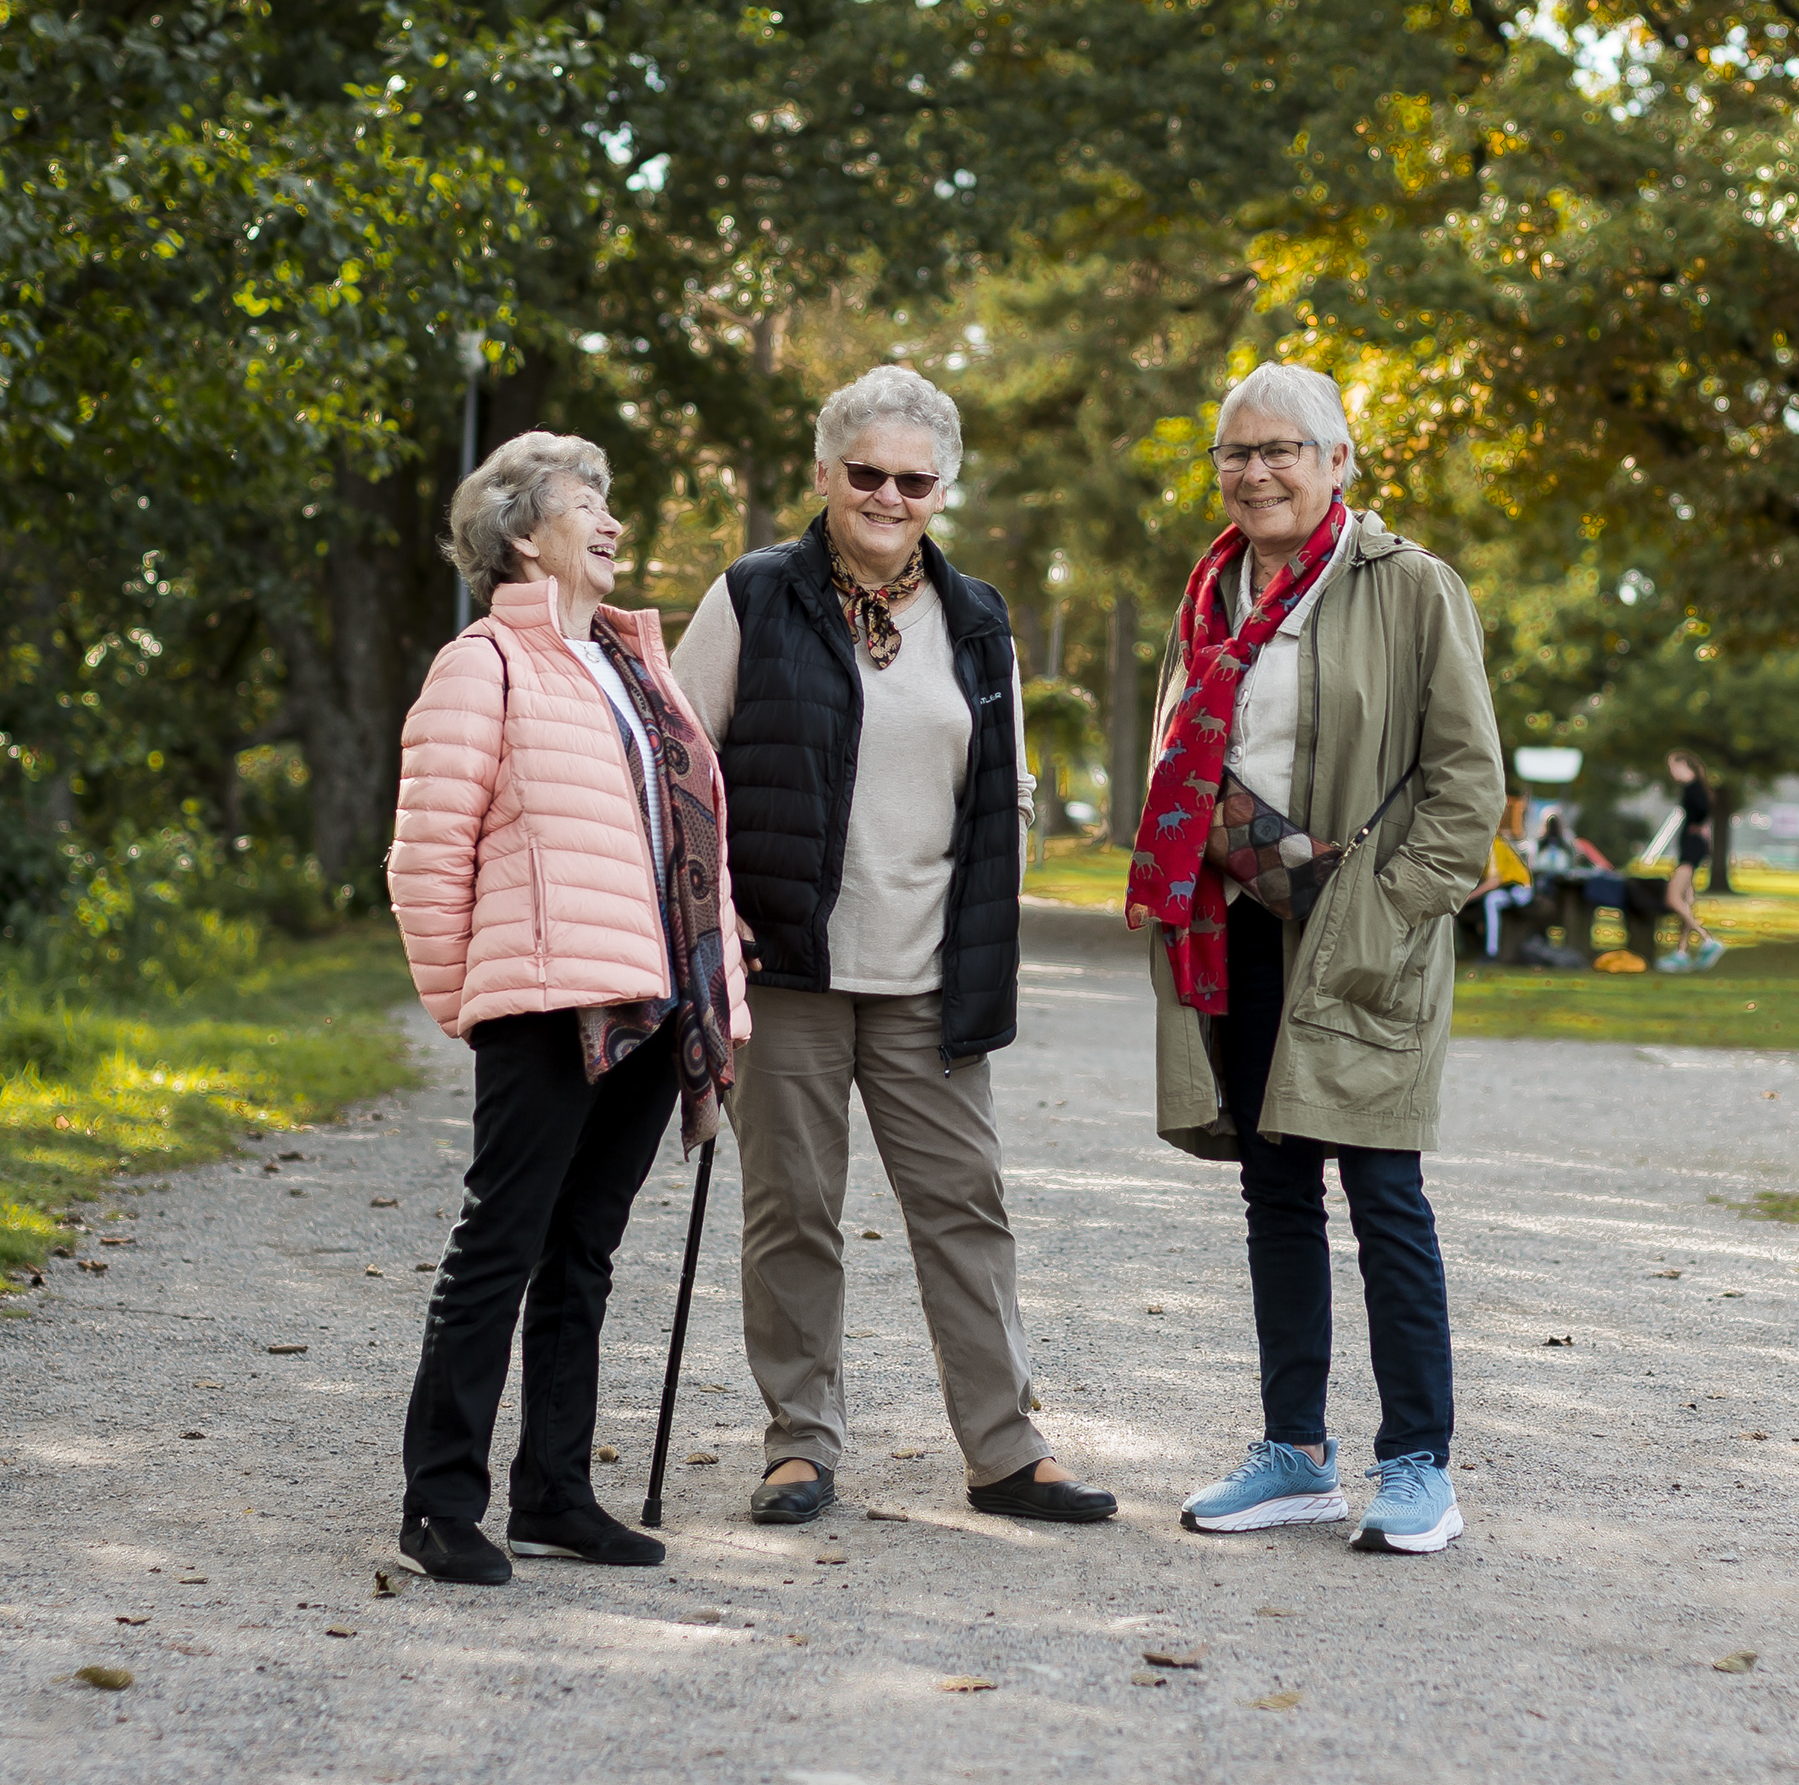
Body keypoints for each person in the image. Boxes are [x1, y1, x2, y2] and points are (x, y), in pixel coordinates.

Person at [673, 364, 1116, 1528]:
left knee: (965, 1207)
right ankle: (798, 1444)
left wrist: (991, 951)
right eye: (863, 471)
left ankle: (1005, 1447)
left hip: (928, 974)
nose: (885, 494)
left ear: (940, 488)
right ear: (822, 474)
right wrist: (698, 944)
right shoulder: (752, 597)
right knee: (790, 1209)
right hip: (790, 968)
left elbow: (1000, 798)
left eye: (912, 479)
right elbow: (676, 770)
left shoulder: (977, 622)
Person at [1127, 362, 1502, 1554]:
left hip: (1362, 929)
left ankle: (1417, 1464)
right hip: (1231, 924)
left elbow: (1465, 785)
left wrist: (1388, 911)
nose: (1255, 471)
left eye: (1280, 449)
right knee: (1272, 1188)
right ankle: (1294, 1450)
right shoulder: (1206, 593)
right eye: (1235, 453)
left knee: (1385, 1195)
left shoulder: (1411, 587)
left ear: (1337, 460)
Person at [386, 431, 749, 1585]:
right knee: (501, 1242)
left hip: (649, 999)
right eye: (583, 502)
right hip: (544, 998)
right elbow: (426, 854)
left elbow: (695, 843)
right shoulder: (481, 663)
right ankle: (440, 1500)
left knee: (582, 1250)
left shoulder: (638, 669)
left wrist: (715, 982)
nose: (609, 520)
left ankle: (553, 1493)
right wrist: (472, 1000)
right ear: (518, 533)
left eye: (607, 501)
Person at [1659, 751, 1724, 972]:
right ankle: (1681, 952)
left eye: (1673, 767)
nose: (1671, 772)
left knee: (1672, 898)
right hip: (1692, 848)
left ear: (1684, 766)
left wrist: (1698, 825)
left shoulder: (1693, 788)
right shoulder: (1697, 788)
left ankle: (1707, 940)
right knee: (1686, 899)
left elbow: (1703, 810)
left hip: (1691, 850)